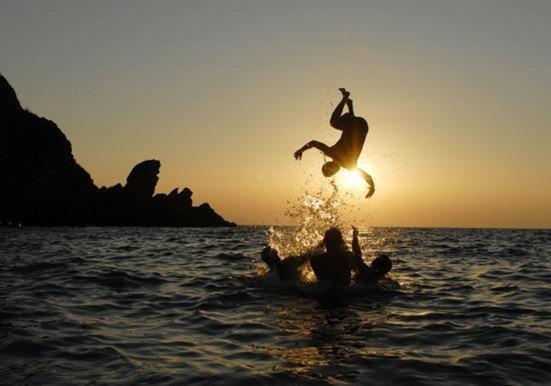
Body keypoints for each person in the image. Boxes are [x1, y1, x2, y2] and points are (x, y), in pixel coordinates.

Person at [294, 88, 375, 198]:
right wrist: (301, 150)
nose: (334, 173)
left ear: (330, 166)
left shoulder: (347, 164)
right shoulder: (332, 154)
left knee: (343, 128)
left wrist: (372, 186)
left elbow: (364, 175)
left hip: (362, 126)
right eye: (331, 174)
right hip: (358, 124)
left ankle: (348, 103)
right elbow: (313, 143)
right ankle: (346, 101)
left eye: (331, 173)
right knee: (334, 123)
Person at [261, 227, 392, 285]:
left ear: (324, 241)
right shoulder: (347, 257)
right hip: (343, 296)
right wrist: (355, 238)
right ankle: (276, 265)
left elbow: (295, 262)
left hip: (320, 293)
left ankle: (274, 265)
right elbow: (359, 261)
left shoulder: (315, 258)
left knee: (289, 271)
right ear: (341, 242)